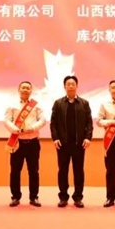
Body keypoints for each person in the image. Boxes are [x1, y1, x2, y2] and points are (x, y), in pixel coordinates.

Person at [50, 75, 93, 208]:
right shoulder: (58, 103)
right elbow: (53, 123)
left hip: (79, 144)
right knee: (62, 171)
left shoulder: (84, 103)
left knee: (79, 171)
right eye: (68, 84)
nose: (70, 86)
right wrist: (55, 138)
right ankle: (63, 197)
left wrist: (88, 137)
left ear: (77, 86)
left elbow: (89, 122)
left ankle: (78, 197)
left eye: (73, 84)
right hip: (63, 144)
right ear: (65, 86)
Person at [4, 81, 46, 207]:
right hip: (17, 143)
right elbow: (7, 120)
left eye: (28, 88)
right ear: (19, 90)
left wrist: (32, 128)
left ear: (31, 91)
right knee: (15, 171)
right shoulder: (11, 105)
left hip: (33, 142)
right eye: (23, 88)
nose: (25, 90)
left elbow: (43, 120)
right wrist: (15, 130)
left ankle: (34, 197)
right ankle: (15, 197)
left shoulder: (36, 105)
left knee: (33, 171)